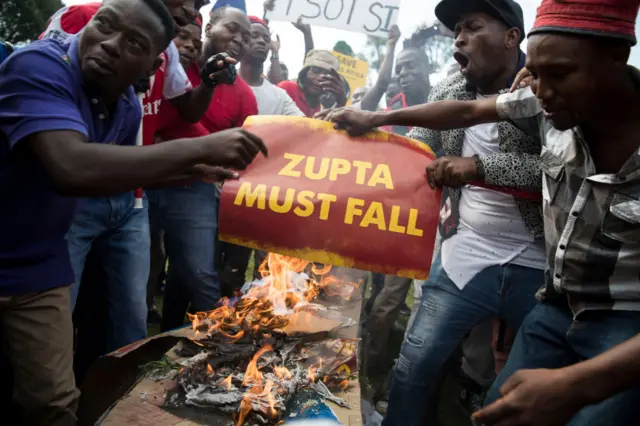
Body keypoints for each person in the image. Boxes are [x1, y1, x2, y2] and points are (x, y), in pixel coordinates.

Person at [328, 0, 640, 424]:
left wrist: (576, 385)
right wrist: (376, 121)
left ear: (617, 57)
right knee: (460, 385)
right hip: (537, 292)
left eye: (560, 74)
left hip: (607, 310)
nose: (543, 93)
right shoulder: (539, 96)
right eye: (539, 76)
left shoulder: (547, 95)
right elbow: (460, 116)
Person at [0, 0, 266, 424]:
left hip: (37, 268)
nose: (108, 44)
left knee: (53, 403)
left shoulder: (124, 106)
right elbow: (71, 167)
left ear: (153, 64)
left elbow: (110, 178)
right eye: (104, 25)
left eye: (133, 43)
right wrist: (201, 146)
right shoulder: (37, 66)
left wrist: (188, 169)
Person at [151, 5, 258, 332]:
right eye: (233, 29)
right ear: (208, 26)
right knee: (138, 268)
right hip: (142, 177)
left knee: (199, 274)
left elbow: (243, 155)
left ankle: (211, 348)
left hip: (195, 188)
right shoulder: (170, 62)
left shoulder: (245, 97)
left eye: (246, 36)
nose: (239, 40)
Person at [240, 16, 304, 116]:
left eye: (266, 39)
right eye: (254, 36)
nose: (261, 41)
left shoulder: (280, 96)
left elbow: (304, 124)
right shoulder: (220, 82)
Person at [278, 50, 347, 117]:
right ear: (304, 73)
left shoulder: (317, 106)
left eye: (327, 75)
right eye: (316, 71)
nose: (320, 78)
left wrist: (341, 101)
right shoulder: (287, 87)